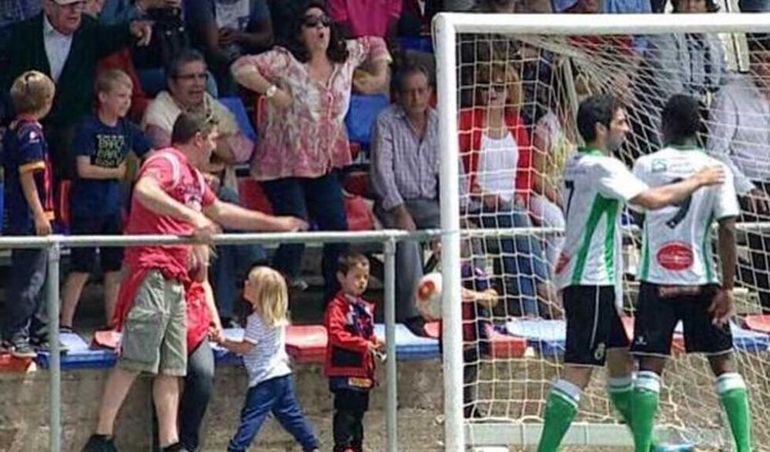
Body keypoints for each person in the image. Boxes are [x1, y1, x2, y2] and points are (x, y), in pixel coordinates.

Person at [82, 112, 307, 451]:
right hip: (152, 269)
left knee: (172, 367)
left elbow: (222, 213)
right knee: (135, 357)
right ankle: (101, 437)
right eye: (213, 141)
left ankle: (171, 443)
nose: (214, 148)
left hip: (176, 278)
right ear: (199, 138)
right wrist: (191, 216)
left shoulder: (193, 178)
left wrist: (276, 224)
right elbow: (144, 191)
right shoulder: (166, 160)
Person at [537, 94, 725, 452]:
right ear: (600, 128)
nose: (627, 128)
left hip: (586, 276)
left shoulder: (576, 161)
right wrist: (698, 180)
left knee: (621, 363)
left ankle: (650, 446)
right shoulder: (604, 167)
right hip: (589, 278)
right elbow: (653, 200)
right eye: (621, 122)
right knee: (578, 368)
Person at [231, 0, 390, 300]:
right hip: (282, 162)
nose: (320, 28)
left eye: (325, 23)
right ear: (299, 31)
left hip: (324, 163)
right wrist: (271, 91)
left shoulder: (346, 58)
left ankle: (335, 305)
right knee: (297, 228)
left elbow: (376, 43)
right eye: (312, 23)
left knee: (337, 230)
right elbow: (240, 67)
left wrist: (379, 76)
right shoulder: (285, 61)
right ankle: (270, 304)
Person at [629, 94, 751, 452]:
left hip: (657, 279)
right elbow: (728, 228)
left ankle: (642, 448)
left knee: (650, 367)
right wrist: (727, 289)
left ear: (663, 125)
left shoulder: (645, 164)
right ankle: (745, 447)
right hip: (703, 282)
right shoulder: (716, 168)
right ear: (700, 127)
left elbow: (637, 214)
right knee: (723, 362)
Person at [143, 48, 261, 325]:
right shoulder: (159, 111)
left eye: (202, 76)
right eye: (189, 78)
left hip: (205, 199)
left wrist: (213, 147)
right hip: (176, 202)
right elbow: (171, 158)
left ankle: (224, 314)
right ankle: (258, 261)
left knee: (221, 234)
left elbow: (243, 150)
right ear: (172, 83)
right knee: (225, 202)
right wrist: (214, 157)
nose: (198, 84)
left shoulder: (211, 105)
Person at [0, 0, 151, 187]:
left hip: (71, 132)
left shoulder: (89, 30)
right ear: (47, 5)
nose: (75, 10)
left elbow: (114, 35)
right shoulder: (21, 35)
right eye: (67, 5)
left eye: (79, 3)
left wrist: (133, 29)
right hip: (29, 131)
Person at [459, 62, 558, 318]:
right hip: (477, 204)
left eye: (498, 88)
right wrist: (479, 192)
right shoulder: (467, 120)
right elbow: (457, 169)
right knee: (516, 222)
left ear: (509, 92)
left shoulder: (516, 124)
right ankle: (548, 292)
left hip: (511, 206)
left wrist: (521, 195)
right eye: (485, 87)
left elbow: (525, 171)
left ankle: (530, 316)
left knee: (515, 233)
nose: (491, 93)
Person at [60, 69, 153, 332]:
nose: (126, 102)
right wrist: (119, 172)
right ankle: (65, 322)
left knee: (114, 268)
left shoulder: (127, 128)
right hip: (86, 208)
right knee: (82, 267)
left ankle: (113, 321)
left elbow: (150, 152)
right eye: (120, 96)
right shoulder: (88, 127)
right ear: (103, 97)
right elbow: (84, 169)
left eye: (129, 96)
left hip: (113, 208)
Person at [212, 266, 319, 452]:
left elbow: (245, 348)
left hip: (265, 379)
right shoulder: (275, 317)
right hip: (282, 374)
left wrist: (222, 341)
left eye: (250, 283)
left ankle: (236, 448)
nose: (245, 283)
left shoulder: (256, 320)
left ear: (260, 293)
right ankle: (311, 444)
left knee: (251, 417)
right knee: (290, 415)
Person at [370, 63, 440, 333]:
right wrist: (400, 211)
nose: (416, 98)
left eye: (422, 91)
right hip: (393, 202)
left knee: (463, 234)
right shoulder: (385, 121)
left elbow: (453, 170)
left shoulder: (439, 122)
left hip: (431, 204)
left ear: (430, 92)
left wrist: (456, 213)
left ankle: (474, 305)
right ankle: (413, 315)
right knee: (407, 239)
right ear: (398, 95)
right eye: (410, 92)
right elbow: (381, 172)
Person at [707, 33, 770, 311]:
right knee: (761, 222)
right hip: (744, 183)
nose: (761, 67)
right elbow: (716, 152)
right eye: (756, 60)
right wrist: (748, 188)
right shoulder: (730, 95)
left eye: (768, 61)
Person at [1, 71, 56, 358]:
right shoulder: (30, 133)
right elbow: (28, 177)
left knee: (41, 274)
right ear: (46, 102)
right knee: (29, 276)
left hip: (27, 215)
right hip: (29, 217)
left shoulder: (14, 128)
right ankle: (14, 334)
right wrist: (39, 214)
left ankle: (40, 331)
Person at [324, 251, 383, 452]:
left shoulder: (364, 307)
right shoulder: (337, 306)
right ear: (341, 278)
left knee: (359, 412)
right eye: (356, 277)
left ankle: (356, 446)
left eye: (365, 277)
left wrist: (374, 342)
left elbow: (367, 333)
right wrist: (362, 344)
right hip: (344, 369)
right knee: (345, 411)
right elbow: (335, 334)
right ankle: (342, 446)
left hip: (362, 370)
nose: (362, 282)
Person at [185, 0, 274, 95]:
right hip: (211, 60)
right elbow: (213, 50)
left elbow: (268, 38)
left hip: (245, 56)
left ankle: (279, 99)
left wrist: (240, 36)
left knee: (282, 60)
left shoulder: (253, 2)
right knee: (228, 72)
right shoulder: (201, 3)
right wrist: (240, 65)